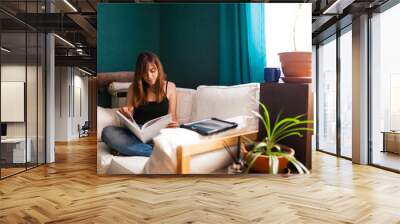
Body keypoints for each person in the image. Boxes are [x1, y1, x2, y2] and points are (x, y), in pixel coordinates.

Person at [101, 52, 178, 157]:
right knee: (107, 132)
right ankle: (156, 153)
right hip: (136, 134)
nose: (149, 76)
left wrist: (174, 124)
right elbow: (128, 119)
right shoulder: (133, 88)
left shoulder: (170, 87)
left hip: (159, 134)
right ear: (140, 74)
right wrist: (126, 115)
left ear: (158, 69)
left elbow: (173, 117)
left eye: (152, 71)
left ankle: (126, 149)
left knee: (176, 138)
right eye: (145, 73)